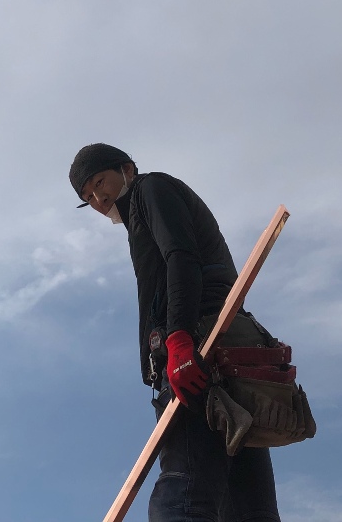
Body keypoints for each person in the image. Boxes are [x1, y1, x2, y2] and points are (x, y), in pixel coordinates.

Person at [69, 143, 280, 522]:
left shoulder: (151, 189)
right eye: (88, 197)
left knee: (185, 491)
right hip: (221, 352)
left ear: (127, 168)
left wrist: (178, 339)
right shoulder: (142, 210)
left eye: (100, 183)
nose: (99, 199)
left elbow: (180, 257)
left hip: (197, 352)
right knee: (249, 504)